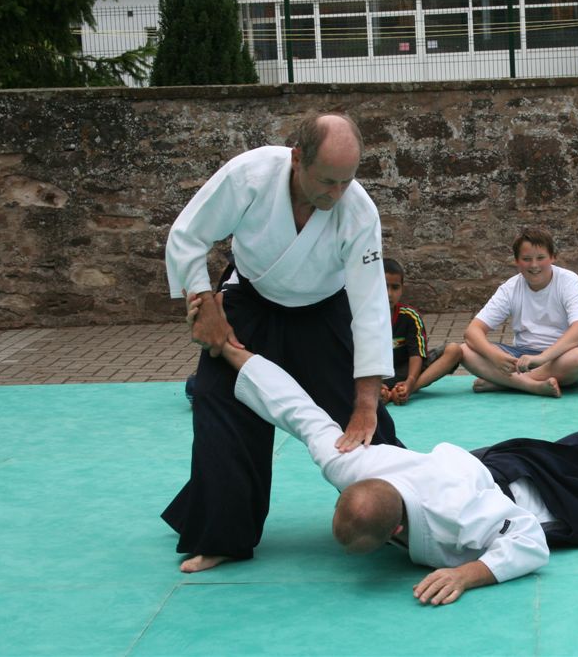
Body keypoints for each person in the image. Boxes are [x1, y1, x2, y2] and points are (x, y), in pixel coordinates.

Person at [207, 330, 578, 606]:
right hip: (496, 457)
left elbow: (530, 542)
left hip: (522, 494)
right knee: (565, 455)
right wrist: (229, 349)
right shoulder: (353, 465)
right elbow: (299, 413)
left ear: (395, 531)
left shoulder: (462, 520)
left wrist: (468, 574)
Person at [162, 112, 403, 574]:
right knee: (221, 405)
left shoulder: (358, 210)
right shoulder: (250, 174)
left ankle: (404, 513)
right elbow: (188, 235)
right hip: (250, 300)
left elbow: (371, 303)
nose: (337, 194)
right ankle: (223, 535)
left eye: (347, 182)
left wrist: (367, 400)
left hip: (324, 311)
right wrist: (203, 304)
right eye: (327, 181)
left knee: (363, 428)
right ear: (297, 159)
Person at [461, 227, 578, 397]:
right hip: (522, 357)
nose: (534, 265)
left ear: (553, 257)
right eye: (526, 259)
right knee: (464, 350)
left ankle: (504, 383)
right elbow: (472, 332)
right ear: (516, 261)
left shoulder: (570, 282)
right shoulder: (510, 288)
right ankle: (532, 386)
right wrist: (495, 357)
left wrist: (543, 358)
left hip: (561, 356)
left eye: (540, 258)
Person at [381, 258, 463, 404]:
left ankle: (403, 392)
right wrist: (374, 385)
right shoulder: (360, 317)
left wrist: (410, 383)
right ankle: (380, 393)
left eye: (395, 287)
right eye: (384, 286)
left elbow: (416, 355)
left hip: (407, 371)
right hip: (375, 375)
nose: (389, 294)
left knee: (454, 350)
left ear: (402, 288)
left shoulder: (410, 316)